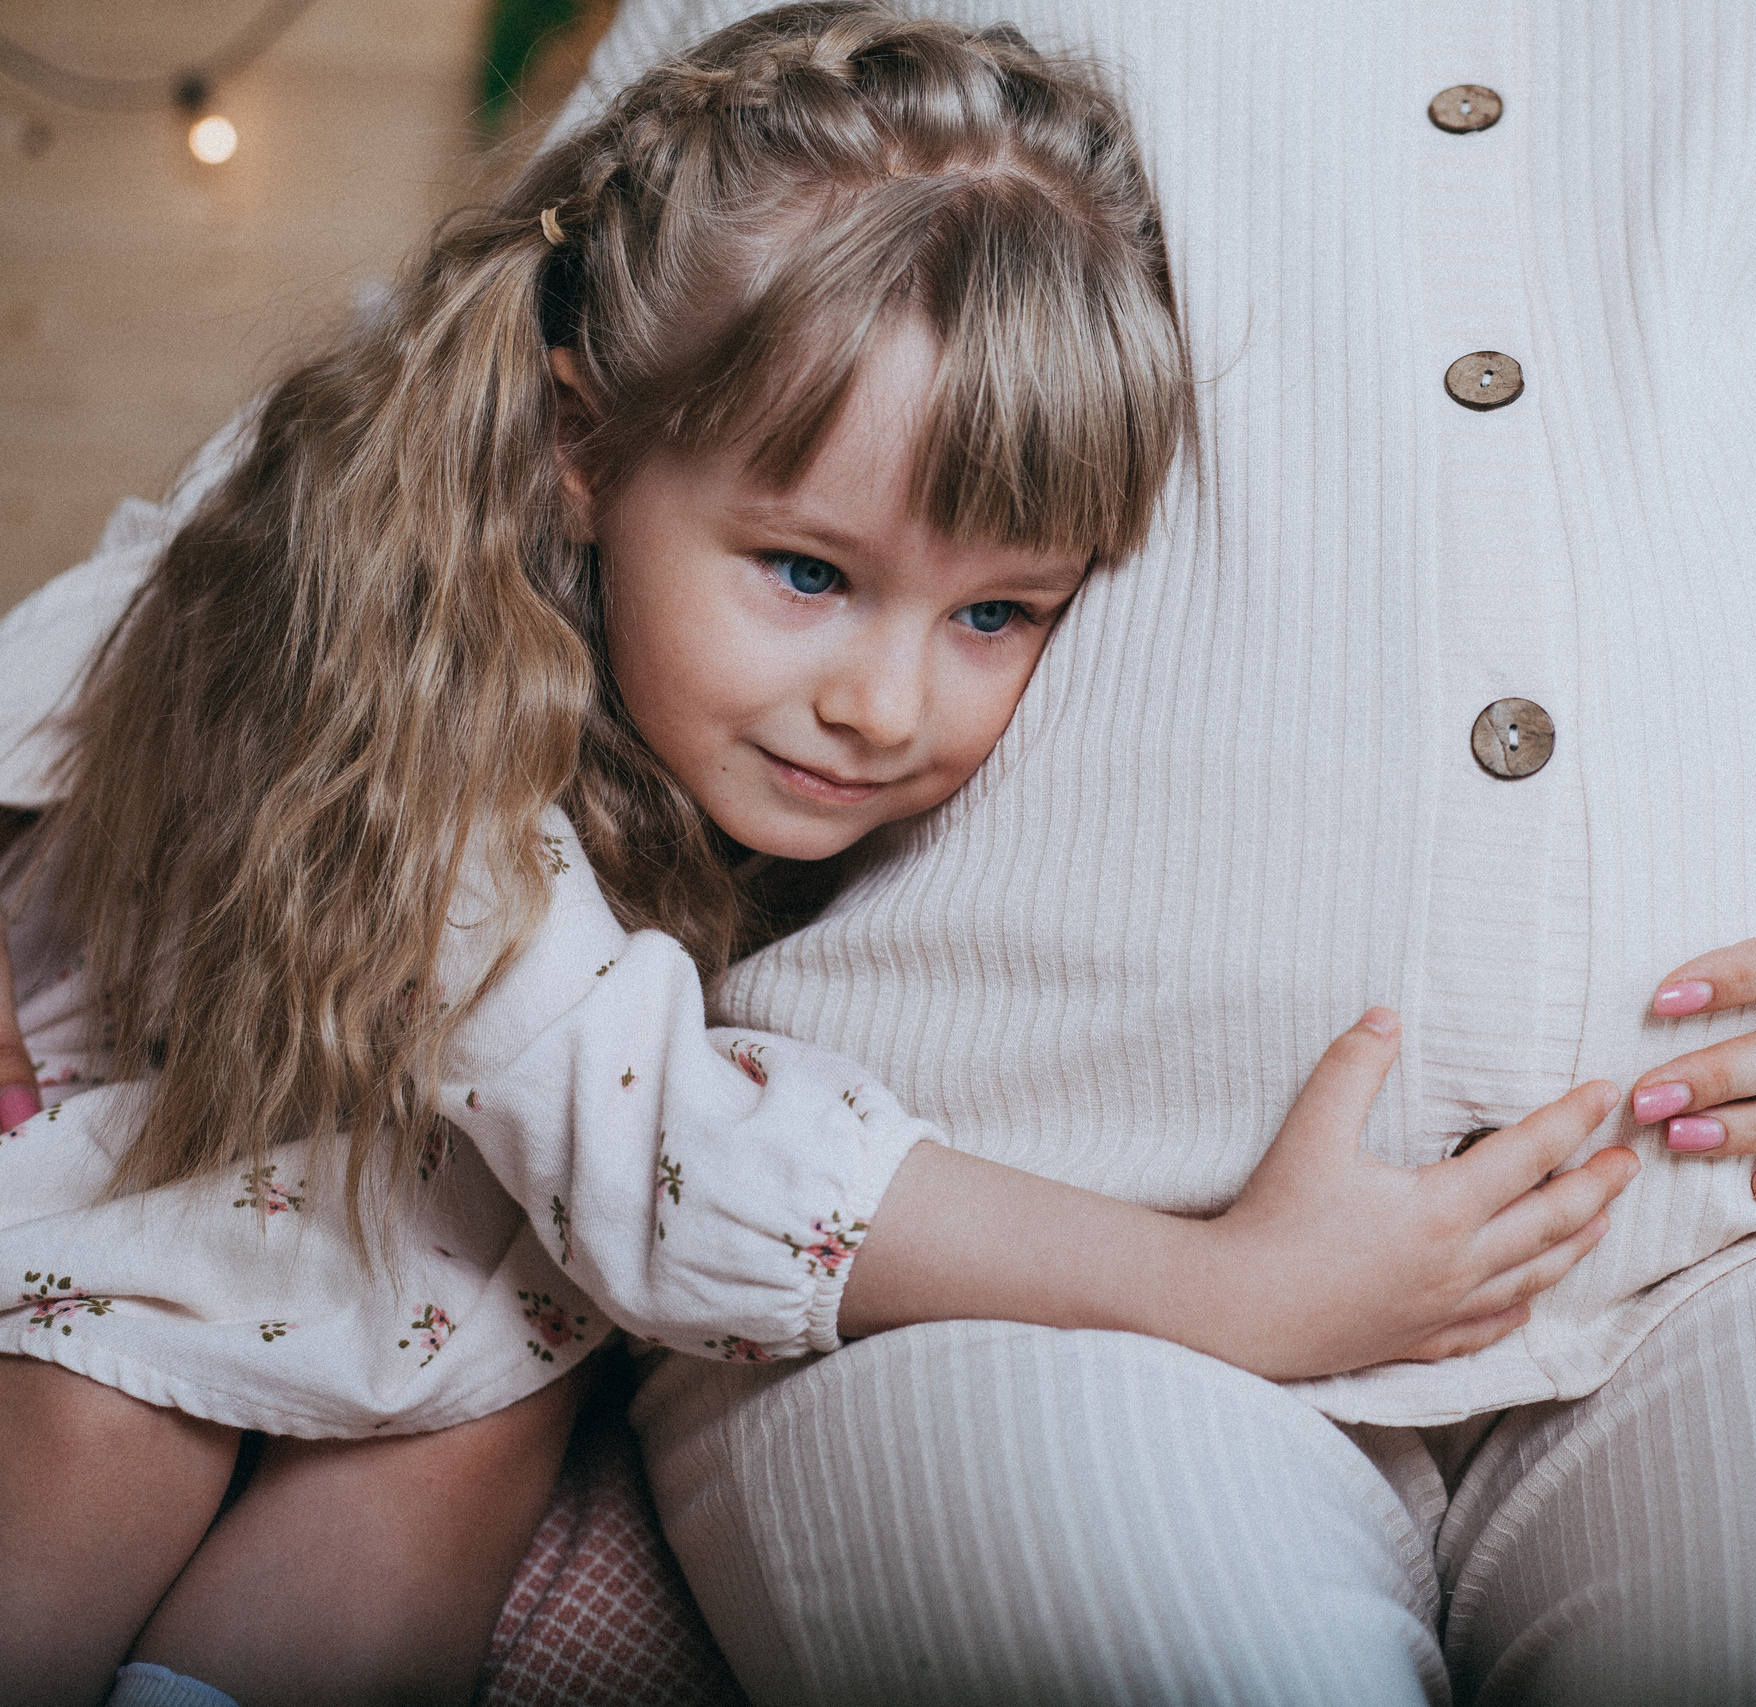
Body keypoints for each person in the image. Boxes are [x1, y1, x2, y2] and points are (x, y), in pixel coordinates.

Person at [0, 11, 1640, 1707]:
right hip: (159, 1121)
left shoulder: (717, 652)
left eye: (996, 612)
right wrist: (1225, 1292)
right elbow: (654, 1146)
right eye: (805, 572)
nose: (882, 704)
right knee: (118, 1395)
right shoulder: (424, 708)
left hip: (452, 1208)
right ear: (582, 451)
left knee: (467, 1419)